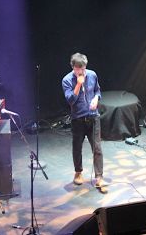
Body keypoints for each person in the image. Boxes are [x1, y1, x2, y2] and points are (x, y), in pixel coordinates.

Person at [62, 53, 106, 193]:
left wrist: (96, 99)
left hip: (93, 117)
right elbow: (70, 100)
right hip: (78, 119)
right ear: (73, 67)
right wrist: (78, 84)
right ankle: (78, 172)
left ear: (85, 67)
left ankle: (99, 177)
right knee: (77, 147)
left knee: (97, 148)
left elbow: (98, 91)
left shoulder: (92, 75)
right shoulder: (67, 80)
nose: (80, 72)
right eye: (77, 69)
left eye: (82, 69)